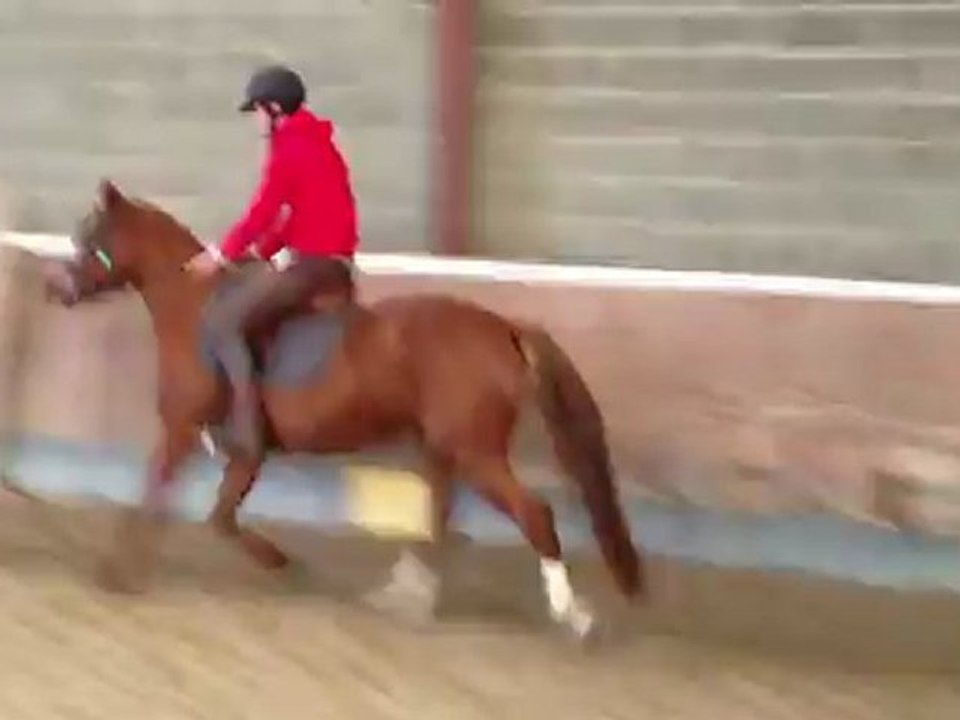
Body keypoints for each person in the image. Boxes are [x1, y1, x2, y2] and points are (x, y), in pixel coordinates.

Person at [184, 64, 359, 459]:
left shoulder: (290, 149)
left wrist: (220, 255)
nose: (257, 121)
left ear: (276, 109)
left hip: (312, 267)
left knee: (224, 321)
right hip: (330, 262)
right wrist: (255, 255)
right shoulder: (316, 142)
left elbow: (263, 211)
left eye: (259, 111)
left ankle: (247, 431)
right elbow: (294, 217)